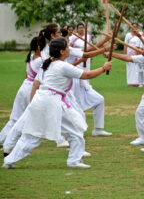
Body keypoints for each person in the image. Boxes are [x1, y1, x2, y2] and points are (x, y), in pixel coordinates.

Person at [3, 37, 112, 169]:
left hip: (41, 100)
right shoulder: (62, 66)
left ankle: (9, 161)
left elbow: (36, 85)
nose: (69, 49)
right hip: (53, 103)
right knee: (76, 131)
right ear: (61, 51)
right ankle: (74, 161)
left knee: (31, 136)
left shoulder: (47, 64)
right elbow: (86, 75)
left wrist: (33, 104)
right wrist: (103, 67)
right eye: (67, 47)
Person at [0, 37, 45, 146]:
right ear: (39, 47)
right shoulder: (41, 61)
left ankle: (2, 139)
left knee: (15, 118)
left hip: (24, 86)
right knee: (27, 117)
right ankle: (14, 141)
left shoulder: (30, 57)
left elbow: (27, 74)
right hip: (31, 89)